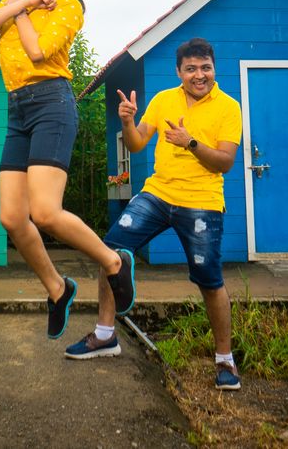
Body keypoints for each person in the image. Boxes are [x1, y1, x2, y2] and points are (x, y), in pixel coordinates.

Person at [0, 0, 135, 340]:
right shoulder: (23, 0)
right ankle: (58, 289)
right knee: (11, 217)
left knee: (44, 212)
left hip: (51, 104)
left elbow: (39, 51)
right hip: (18, 110)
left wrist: (22, 9)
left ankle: (115, 263)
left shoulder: (69, 7)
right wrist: (25, 2)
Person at [65, 38, 243, 391]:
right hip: (158, 194)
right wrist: (128, 122)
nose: (199, 74)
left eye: (205, 67)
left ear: (214, 69)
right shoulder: (163, 100)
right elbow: (135, 143)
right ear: (179, 72)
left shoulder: (228, 107)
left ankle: (225, 359)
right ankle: (105, 335)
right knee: (110, 250)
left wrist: (190, 142)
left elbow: (225, 162)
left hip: (202, 201)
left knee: (209, 280)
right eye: (191, 68)